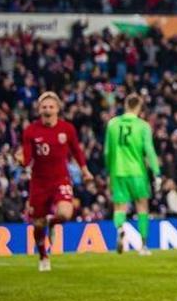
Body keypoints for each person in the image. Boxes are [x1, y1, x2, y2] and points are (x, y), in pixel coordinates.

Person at [20, 92, 93, 272]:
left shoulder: (67, 129)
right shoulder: (31, 131)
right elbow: (27, 160)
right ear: (39, 109)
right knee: (37, 224)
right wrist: (20, 159)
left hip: (61, 178)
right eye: (44, 107)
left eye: (51, 106)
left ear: (57, 109)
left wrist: (85, 171)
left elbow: (76, 151)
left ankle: (53, 223)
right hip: (39, 182)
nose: (47, 109)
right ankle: (43, 255)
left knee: (65, 213)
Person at [104, 94, 160, 256]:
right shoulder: (143, 126)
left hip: (118, 171)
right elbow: (149, 151)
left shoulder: (113, 124)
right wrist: (156, 172)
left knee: (120, 206)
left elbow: (107, 151)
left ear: (125, 105)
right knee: (142, 206)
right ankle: (143, 246)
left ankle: (120, 228)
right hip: (137, 172)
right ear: (139, 108)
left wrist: (109, 170)